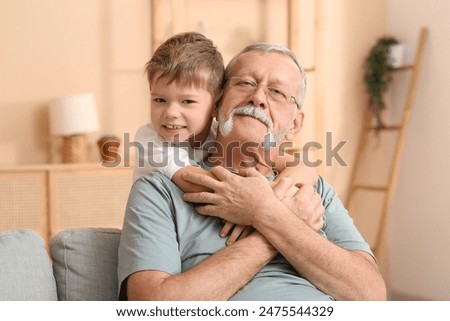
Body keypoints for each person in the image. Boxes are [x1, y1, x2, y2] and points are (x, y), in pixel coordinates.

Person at [118, 42, 387, 300]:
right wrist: (272, 221)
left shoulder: (313, 191)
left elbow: (371, 295)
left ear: (294, 124)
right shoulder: (159, 188)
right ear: (218, 102)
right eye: (245, 83)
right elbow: (151, 306)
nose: (258, 97)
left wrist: (266, 211)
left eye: (277, 92)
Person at [132, 31, 318, 241]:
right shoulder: (150, 139)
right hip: (158, 223)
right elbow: (196, 181)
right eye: (159, 100)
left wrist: (272, 200)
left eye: (187, 102)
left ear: (215, 104)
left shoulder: (215, 133)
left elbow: (303, 167)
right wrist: (268, 205)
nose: (171, 112)